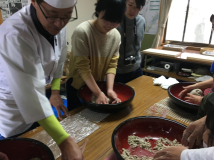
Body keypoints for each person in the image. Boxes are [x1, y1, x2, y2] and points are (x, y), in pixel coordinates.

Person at [0, 0, 84, 159]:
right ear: (34, 2)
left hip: (38, 97)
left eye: (67, 16)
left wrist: (55, 91)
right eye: (52, 16)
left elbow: (59, 59)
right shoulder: (14, 33)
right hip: (13, 107)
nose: (60, 24)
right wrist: (64, 141)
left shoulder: (59, 23)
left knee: (40, 141)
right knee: (20, 149)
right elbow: (30, 96)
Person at [66, 0, 126, 110]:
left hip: (96, 85)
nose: (110, 24)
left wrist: (109, 90)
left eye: (115, 21)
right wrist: (98, 93)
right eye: (106, 19)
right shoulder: (82, 31)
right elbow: (83, 68)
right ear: (98, 11)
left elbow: (112, 65)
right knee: (76, 121)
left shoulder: (116, 36)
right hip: (77, 85)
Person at [114, 0, 145, 84]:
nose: (132, 11)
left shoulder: (141, 21)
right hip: (118, 72)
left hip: (136, 68)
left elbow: (139, 43)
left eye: (137, 7)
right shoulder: (114, 21)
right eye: (130, 5)